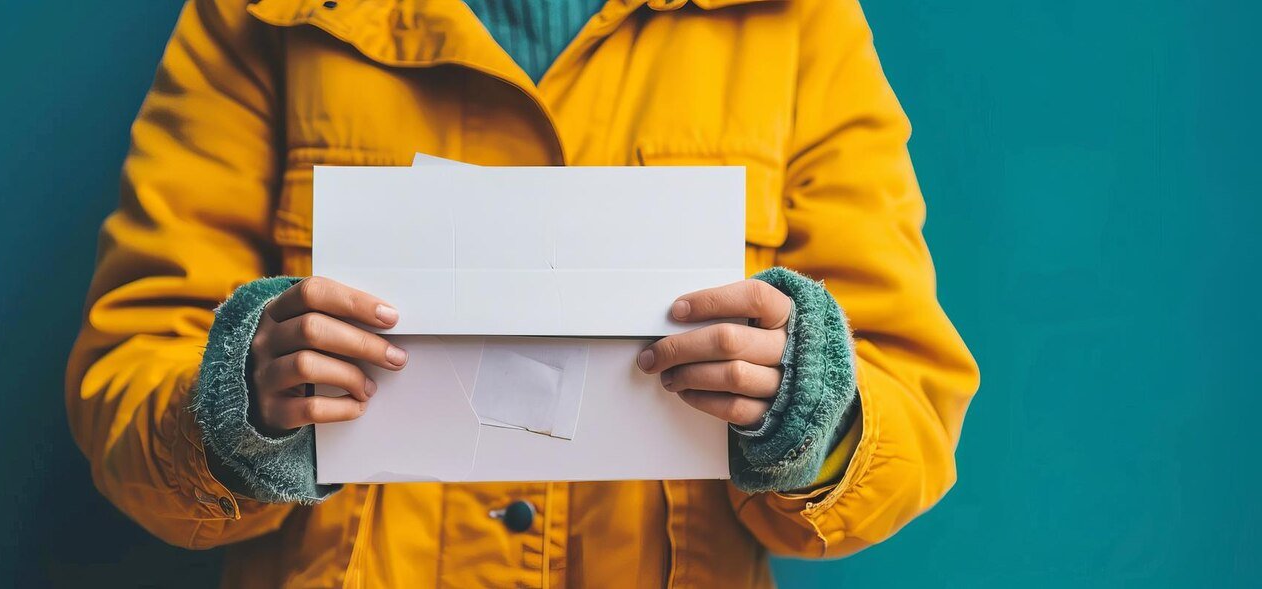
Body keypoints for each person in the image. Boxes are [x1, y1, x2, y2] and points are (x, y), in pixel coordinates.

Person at [66, 0, 979, 586]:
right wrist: (240, 405)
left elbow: (913, 404)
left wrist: (814, 410)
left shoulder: (797, 23)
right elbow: (128, 373)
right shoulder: (259, 16)